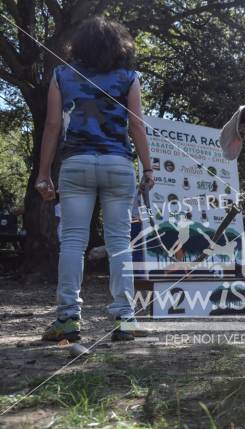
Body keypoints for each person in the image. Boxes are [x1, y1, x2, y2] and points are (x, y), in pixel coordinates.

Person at [36, 17, 154, 342]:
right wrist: (148, 168)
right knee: (120, 243)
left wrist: (44, 173)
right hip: (118, 164)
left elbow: (51, 127)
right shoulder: (129, 78)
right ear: (119, 47)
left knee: (73, 240)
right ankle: (125, 319)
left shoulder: (62, 75)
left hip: (75, 164)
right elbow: (137, 127)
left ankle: (67, 319)